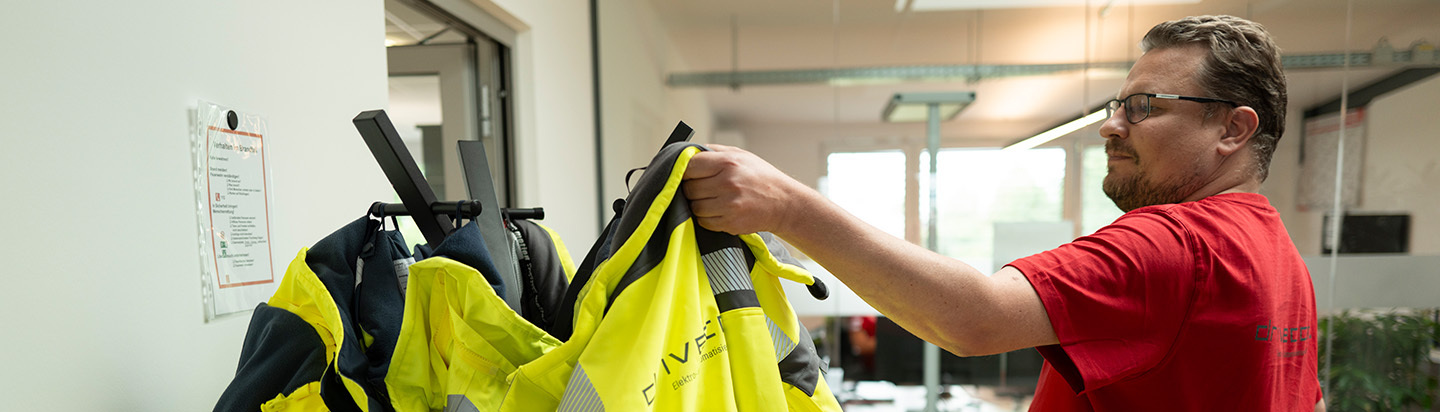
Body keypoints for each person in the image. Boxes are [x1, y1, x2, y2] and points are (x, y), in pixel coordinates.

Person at [681, 15, 1323, 411]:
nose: (1110, 126)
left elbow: (976, 319)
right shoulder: (1278, 256)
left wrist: (786, 206)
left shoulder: (1177, 242)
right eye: (1116, 104)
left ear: (1234, 130)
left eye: (1144, 106)